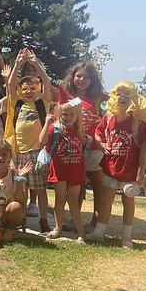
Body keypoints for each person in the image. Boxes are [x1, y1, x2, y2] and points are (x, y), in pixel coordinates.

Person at [89, 81, 146, 249]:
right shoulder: (108, 117)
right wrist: (102, 145)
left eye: (127, 93)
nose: (122, 97)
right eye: (119, 93)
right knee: (106, 200)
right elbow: (98, 133)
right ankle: (99, 233)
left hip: (131, 170)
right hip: (111, 167)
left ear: (134, 97)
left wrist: (141, 171)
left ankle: (126, 237)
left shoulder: (140, 120)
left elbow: (144, 146)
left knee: (128, 201)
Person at [4, 49, 53, 233]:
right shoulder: (17, 103)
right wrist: (17, 63)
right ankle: (21, 217)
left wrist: (36, 63)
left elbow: (47, 81)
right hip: (19, 152)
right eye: (25, 89)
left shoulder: (42, 102)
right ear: (21, 91)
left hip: (36, 151)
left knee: (40, 189)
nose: (29, 92)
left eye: (33, 89)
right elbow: (10, 84)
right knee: (20, 187)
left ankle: (42, 220)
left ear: (38, 89)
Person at [62, 62, 108, 226]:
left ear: (93, 79)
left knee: (98, 186)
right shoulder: (67, 97)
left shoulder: (100, 99)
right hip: (73, 146)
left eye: (87, 77)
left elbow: (117, 114)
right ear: (72, 77)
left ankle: (96, 221)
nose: (82, 79)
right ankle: (75, 219)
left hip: (94, 148)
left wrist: (103, 120)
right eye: (78, 75)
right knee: (76, 185)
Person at [39, 101, 88, 244]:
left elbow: (84, 142)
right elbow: (42, 141)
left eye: (72, 114)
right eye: (65, 114)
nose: (68, 117)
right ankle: (57, 228)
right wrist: (47, 123)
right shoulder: (55, 128)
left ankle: (81, 233)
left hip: (75, 170)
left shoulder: (79, 128)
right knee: (60, 199)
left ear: (77, 115)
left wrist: (81, 131)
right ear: (59, 114)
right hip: (59, 170)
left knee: (73, 200)